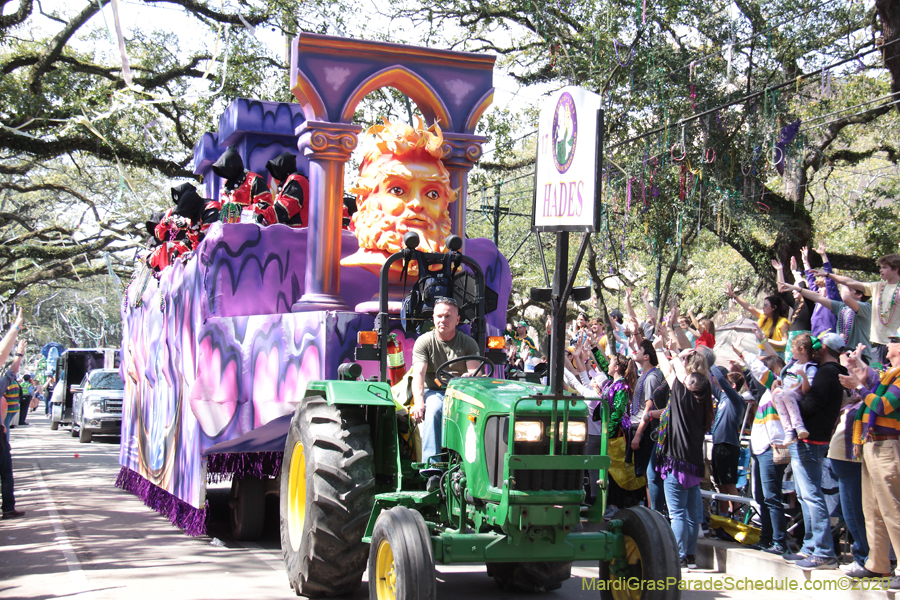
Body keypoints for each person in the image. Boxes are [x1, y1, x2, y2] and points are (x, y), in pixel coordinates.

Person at [341, 118, 455, 279]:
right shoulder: (369, 262)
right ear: (366, 199)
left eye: (432, 194)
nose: (417, 204)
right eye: (397, 190)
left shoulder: (449, 265)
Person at [836, 337, 900, 587]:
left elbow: (884, 405)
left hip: (888, 446)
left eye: (894, 341)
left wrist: (860, 388)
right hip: (873, 445)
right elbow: (873, 384)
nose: (888, 344)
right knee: (872, 509)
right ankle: (878, 564)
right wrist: (859, 370)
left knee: (892, 509)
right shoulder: (890, 375)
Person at [784, 332, 848, 570]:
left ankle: (824, 551)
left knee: (812, 495)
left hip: (812, 440)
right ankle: (810, 546)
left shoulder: (827, 373)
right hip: (811, 440)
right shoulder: (829, 372)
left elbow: (812, 404)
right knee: (804, 495)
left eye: (817, 346)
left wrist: (787, 400)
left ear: (824, 349)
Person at [651, 342, 716, 569]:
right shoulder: (705, 406)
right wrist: (678, 355)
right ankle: (690, 556)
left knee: (677, 513)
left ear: (689, 387)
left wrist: (661, 349)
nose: (684, 380)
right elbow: (676, 373)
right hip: (694, 468)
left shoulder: (682, 399)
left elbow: (670, 372)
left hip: (676, 465)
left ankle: (679, 555)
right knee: (690, 514)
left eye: (687, 380)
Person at [410, 298, 481, 479]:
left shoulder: (468, 343)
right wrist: (419, 403)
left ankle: (474, 466)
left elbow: (476, 373)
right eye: (439, 316)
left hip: (461, 393)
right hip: (434, 391)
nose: (443, 320)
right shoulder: (424, 342)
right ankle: (432, 467)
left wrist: (470, 376)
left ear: (457, 320)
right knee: (434, 409)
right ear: (433, 318)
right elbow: (419, 374)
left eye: (448, 316)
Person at [734, 341, 789, 555]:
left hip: (770, 449)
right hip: (759, 451)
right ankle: (766, 538)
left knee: (772, 497)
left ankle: (779, 541)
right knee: (761, 498)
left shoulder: (778, 386)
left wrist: (743, 353)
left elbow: (758, 369)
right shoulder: (766, 393)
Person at [819, 253, 900, 368]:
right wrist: (828, 275)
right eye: (880, 267)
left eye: (884, 267)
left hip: (896, 342)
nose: (881, 270)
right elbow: (851, 282)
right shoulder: (878, 286)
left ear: (895, 269)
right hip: (881, 341)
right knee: (886, 373)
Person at [779, 278, 872, 362]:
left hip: (860, 355)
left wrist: (842, 282)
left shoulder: (865, 307)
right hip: (843, 353)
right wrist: (799, 289)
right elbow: (818, 297)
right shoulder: (841, 307)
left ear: (859, 294)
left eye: (849, 290)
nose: (843, 292)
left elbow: (846, 298)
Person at [771, 334, 818, 444]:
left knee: (785, 394)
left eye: (792, 347)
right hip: (785, 394)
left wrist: (804, 378)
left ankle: (799, 426)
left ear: (801, 349)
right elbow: (785, 378)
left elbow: (806, 391)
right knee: (778, 396)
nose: (791, 350)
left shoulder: (810, 368)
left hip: (796, 395)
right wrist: (777, 381)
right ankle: (788, 431)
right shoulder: (792, 364)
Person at [725, 283, 790, 356]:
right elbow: (748, 307)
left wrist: (766, 340)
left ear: (774, 307)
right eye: (763, 304)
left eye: (765, 305)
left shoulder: (783, 322)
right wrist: (733, 295)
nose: (763, 307)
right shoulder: (764, 316)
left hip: (776, 354)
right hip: (762, 352)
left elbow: (784, 343)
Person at [802, 244, 841, 337]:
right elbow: (811, 281)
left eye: (822, 287)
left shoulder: (833, 299)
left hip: (829, 338)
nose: (819, 290)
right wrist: (805, 261)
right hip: (816, 338)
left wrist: (823, 256)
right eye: (818, 287)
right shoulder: (818, 299)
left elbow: (830, 282)